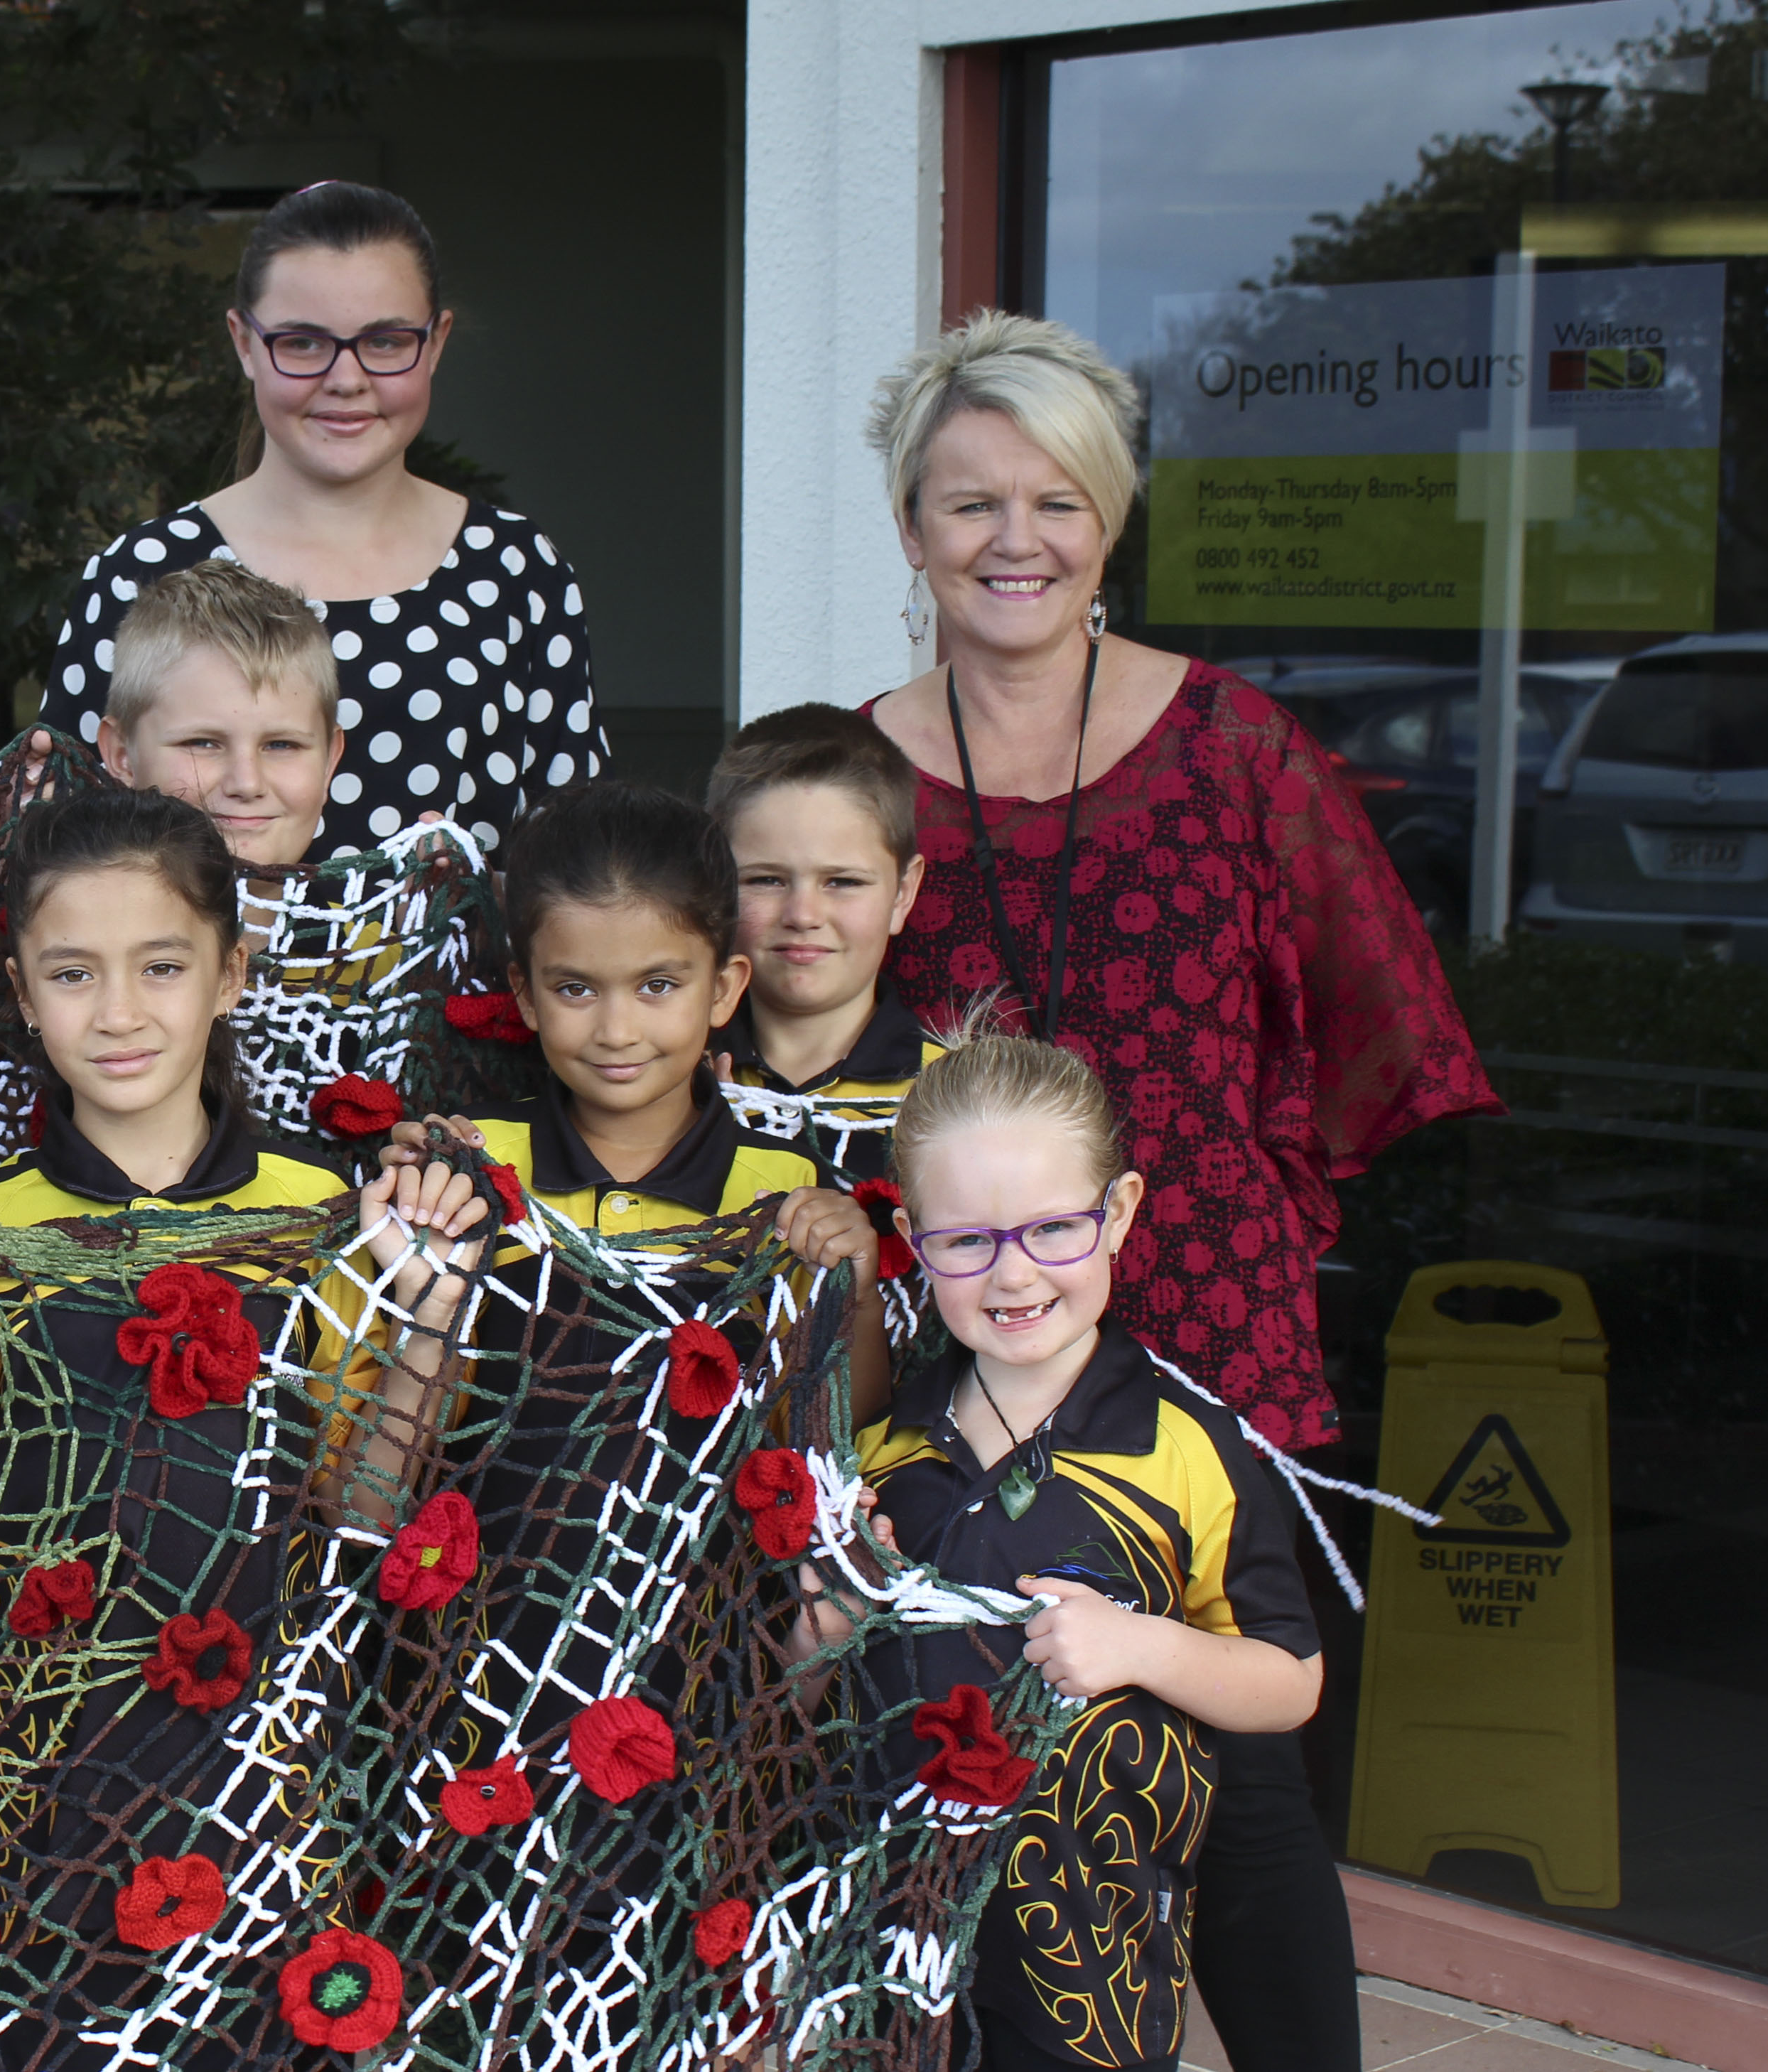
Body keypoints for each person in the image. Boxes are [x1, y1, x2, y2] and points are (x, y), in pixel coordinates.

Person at [857, 311, 1494, 2072]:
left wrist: (1245, 1186)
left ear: (1110, 521)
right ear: (908, 526)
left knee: (1253, 1787)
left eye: (1054, 500)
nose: (1013, 540)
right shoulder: (853, 770)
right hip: (950, 1332)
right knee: (952, 1742)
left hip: (1208, 1319)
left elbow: (1372, 1013)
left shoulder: (1233, 746)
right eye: (967, 501)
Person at [0, 787, 480, 2072]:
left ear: (230, 973)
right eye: (72, 973)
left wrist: (430, 1323)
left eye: (160, 966)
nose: (116, 1012)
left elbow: (362, 1501)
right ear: (20, 991)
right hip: (49, 1749)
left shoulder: (324, 1209)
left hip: (274, 1734)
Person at [819, 1025, 1323, 2072]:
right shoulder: (883, 1450)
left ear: (1121, 1214)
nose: (1013, 1276)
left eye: (1053, 1229)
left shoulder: (1187, 1449)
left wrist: (1143, 1648)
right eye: (968, 1242)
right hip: (881, 1946)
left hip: (1091, 1959)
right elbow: (802, 1679)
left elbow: (1290, 1680)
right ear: (914, 1236)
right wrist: (827, 1615)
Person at [38, 181, 609, 858]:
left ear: (436, 342)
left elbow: (577, 858)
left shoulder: (518, 572)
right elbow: (69, 854)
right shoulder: (141, 572)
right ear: (244, 343)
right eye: (304, 343)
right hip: (201, 967)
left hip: (453, 970)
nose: (346, 378)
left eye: (387, 340)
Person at [445, 782, 887, 1413]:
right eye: (575, 989)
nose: (617, 1032)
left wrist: (858, 1294)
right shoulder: (479, 1169)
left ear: (723, 989)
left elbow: (841, 1431)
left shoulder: (785, 1190)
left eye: (657, 985)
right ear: (525, 995)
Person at [707, 703, 943, 1186]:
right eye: (767, 880)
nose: (803, 915)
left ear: (903, 893)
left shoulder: (960, 1097)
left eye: (843, 882)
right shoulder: (663, 1076)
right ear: (715, 884)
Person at [94, 559, 346, 869]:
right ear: (122, 756)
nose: (247, 784)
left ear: (328, 762)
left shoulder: (390, 917)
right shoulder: (42, 915)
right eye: (202, 743)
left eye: (281, 745)